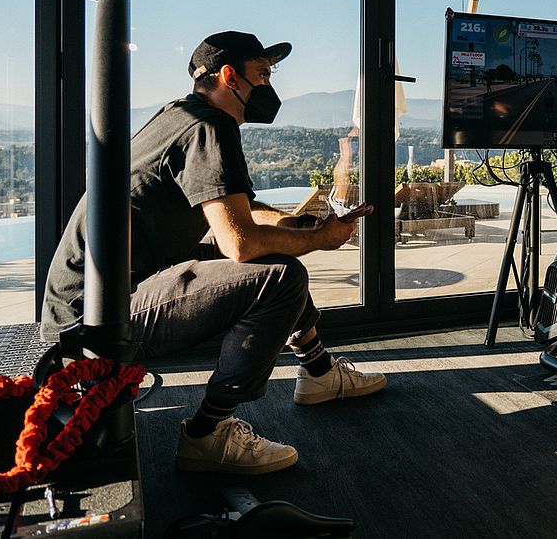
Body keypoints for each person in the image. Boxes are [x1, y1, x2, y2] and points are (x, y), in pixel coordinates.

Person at [42, 31, 386, 475]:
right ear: (229, 76)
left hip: (92, 304)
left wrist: (289, 224)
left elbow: (231, 208)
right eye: (262, 74)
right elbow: (240, 243)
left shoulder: (178, 116)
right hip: (94, 324)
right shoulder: (211, 126)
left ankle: (318, 372)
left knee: (271, 255)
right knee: (279, 275)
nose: (269, 86)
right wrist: (321, 239)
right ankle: (209, 433)